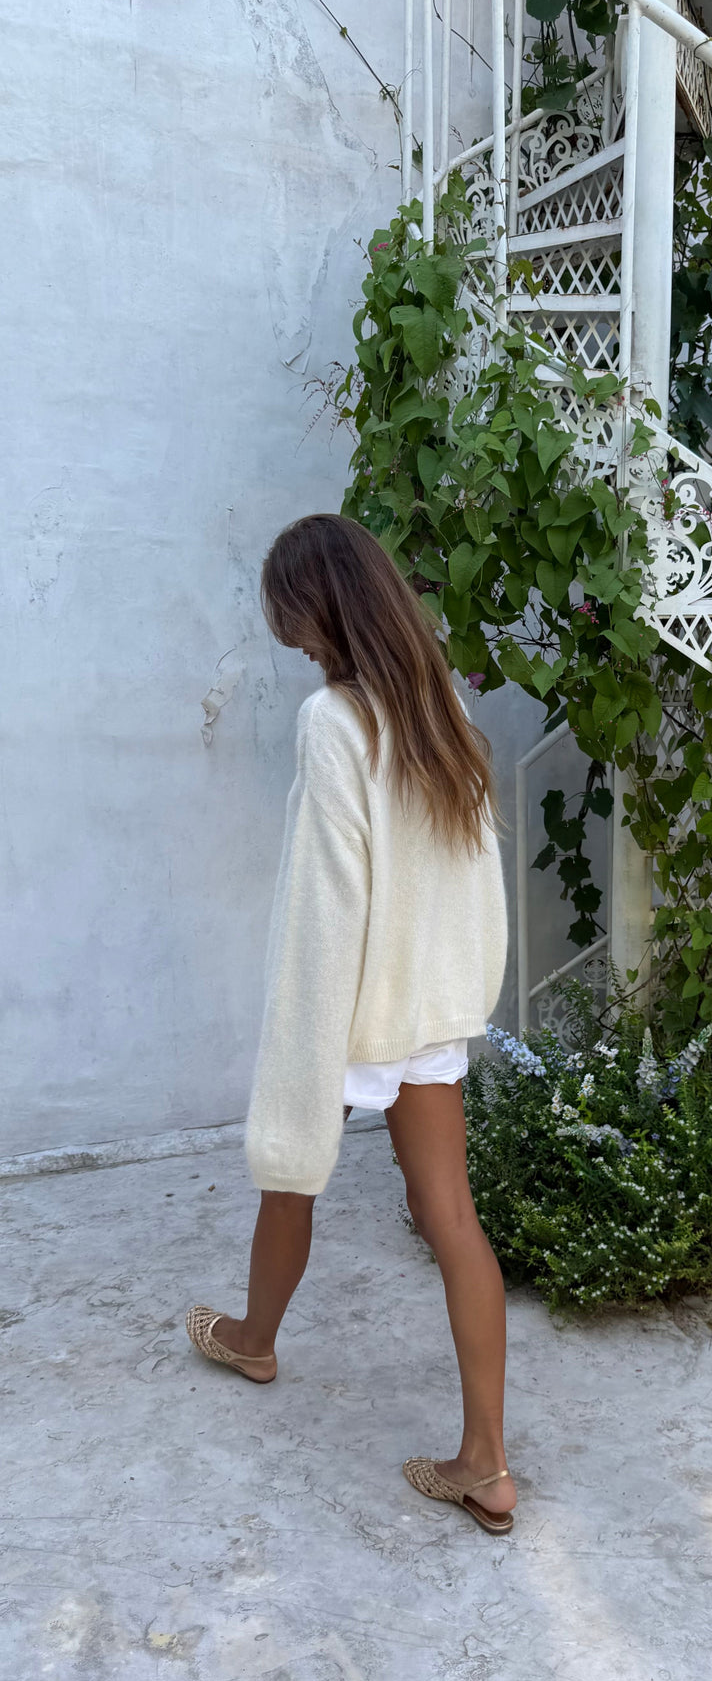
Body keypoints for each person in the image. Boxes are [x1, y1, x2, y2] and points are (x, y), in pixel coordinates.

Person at [185, 513, 515, 1536]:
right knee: (450, 1215)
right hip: (429, 1004)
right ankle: (487, 1463)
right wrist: (458, 996)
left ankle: (253, 1339)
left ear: (322, 610)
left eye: (296, 624)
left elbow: (327, 903)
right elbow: (474, 876)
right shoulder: (440, 704)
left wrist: (308, 1035)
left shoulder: (334, 721)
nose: (297, 645)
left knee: (291, 1172)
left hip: (355, 1000)